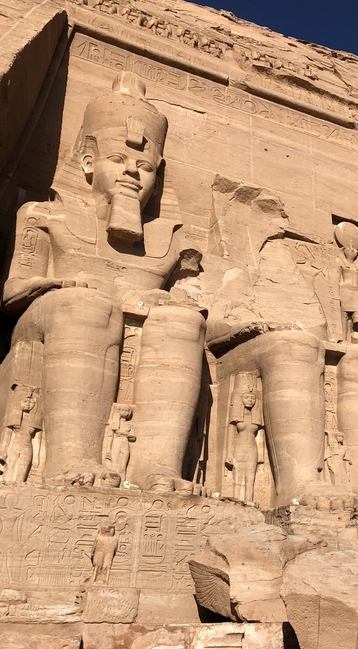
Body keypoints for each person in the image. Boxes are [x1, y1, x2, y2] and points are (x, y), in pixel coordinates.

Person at [1, 73, 205, 492]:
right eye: (119, 160)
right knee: (89, 306)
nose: (133, 172)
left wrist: (177, 300)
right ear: (89, 162)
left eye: (145, 167)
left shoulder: (171, 241)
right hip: (51, 321)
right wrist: (64, 284)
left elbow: (196, 298)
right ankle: (71, 458)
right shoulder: (44, 215)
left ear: (158, 177)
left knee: (181, 323)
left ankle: (156, 468)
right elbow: (12, 292)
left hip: (127, 318)